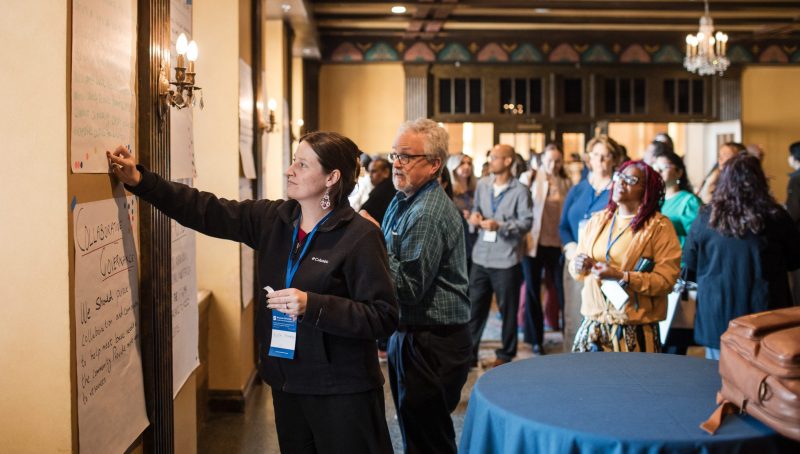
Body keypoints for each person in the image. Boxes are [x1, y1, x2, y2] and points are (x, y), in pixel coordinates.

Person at [107, 132, 398, 453]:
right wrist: (140, 181)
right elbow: (205, 210)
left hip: (342, 391)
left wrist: (312, 305)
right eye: (292, 161)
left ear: (332, 177)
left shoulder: (360, 236)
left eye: (302, 165)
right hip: (286, 381)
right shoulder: (275, 219)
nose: (290, 170)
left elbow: (382, 316)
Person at [361, 119, 471, 454]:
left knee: (428, 439)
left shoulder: (426, 212)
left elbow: (408, 288)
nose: (396, 163)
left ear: (435, 163)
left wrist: (371, 240)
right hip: (411, 333)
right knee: (415, 429)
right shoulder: (404, 197)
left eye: (407, 157)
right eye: (395, 154)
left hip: (432, 341)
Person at [684, 154, 800, 360]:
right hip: (765, 314)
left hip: (717, 312)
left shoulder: (705, 217)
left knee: (719, 376)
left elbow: (690, 265)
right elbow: (794, 260)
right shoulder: (775, 217)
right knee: (761, 378)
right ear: (760, 181)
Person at [570, 160, 682, 353]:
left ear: (646, 190)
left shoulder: (659, 227)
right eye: (619, 176)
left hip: (634, 329)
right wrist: (578, 264)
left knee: (630, 383)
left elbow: (666, 281)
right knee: (586, 383)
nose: (621, 182)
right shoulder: (599, 220)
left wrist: (622, 276)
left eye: (631, 180)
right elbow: (577, 272)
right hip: (594, 323)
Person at [467, 144, 533, 368]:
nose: (490, 160)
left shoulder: (520, 190)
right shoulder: (483, 185)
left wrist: (501, 226)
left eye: (494, 157)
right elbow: (476, 209)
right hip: (480, 257)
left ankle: (505, 354)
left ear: (507, 161)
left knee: (508, 310)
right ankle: (469, 353)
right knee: (475, 307)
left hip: (506, 259)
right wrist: (475, 218)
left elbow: (527, 223)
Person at [559, 135, 625, 351]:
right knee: (572, 317)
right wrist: (571, 250)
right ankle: (571, 362)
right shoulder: (578, 188)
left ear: (614, 160)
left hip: (602, 265)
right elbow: (563, 226)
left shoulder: (618, 191)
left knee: (599, 320)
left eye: (606, 156)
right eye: (597, 155)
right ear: (589, 159)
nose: (601, 161)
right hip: (575, 261)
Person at [519, 143, 572, 353]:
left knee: (562, 290)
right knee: (533, 291)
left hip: (557, 244)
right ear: (542, 161)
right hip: (533, 243)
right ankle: (536, 339)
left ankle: (568, 334)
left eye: (558, 160)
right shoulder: (529, 179)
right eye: (550, 160)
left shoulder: (566, 182)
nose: (554, 164)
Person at [654, 151, 702, 355]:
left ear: (679, 171)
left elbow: (697, 238)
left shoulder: (688, 201)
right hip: (655, 267)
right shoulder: (654, 199)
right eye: (655, 167)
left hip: (678, 268)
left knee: (674, 331)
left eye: (664, 167)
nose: (658, 172)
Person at [360, 157, 394, 225]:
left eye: (373, 171)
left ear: (386, 172)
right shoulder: (391, 188)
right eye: (369, 172)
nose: (370, 175)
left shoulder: (380, 193)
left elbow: (363, 214)